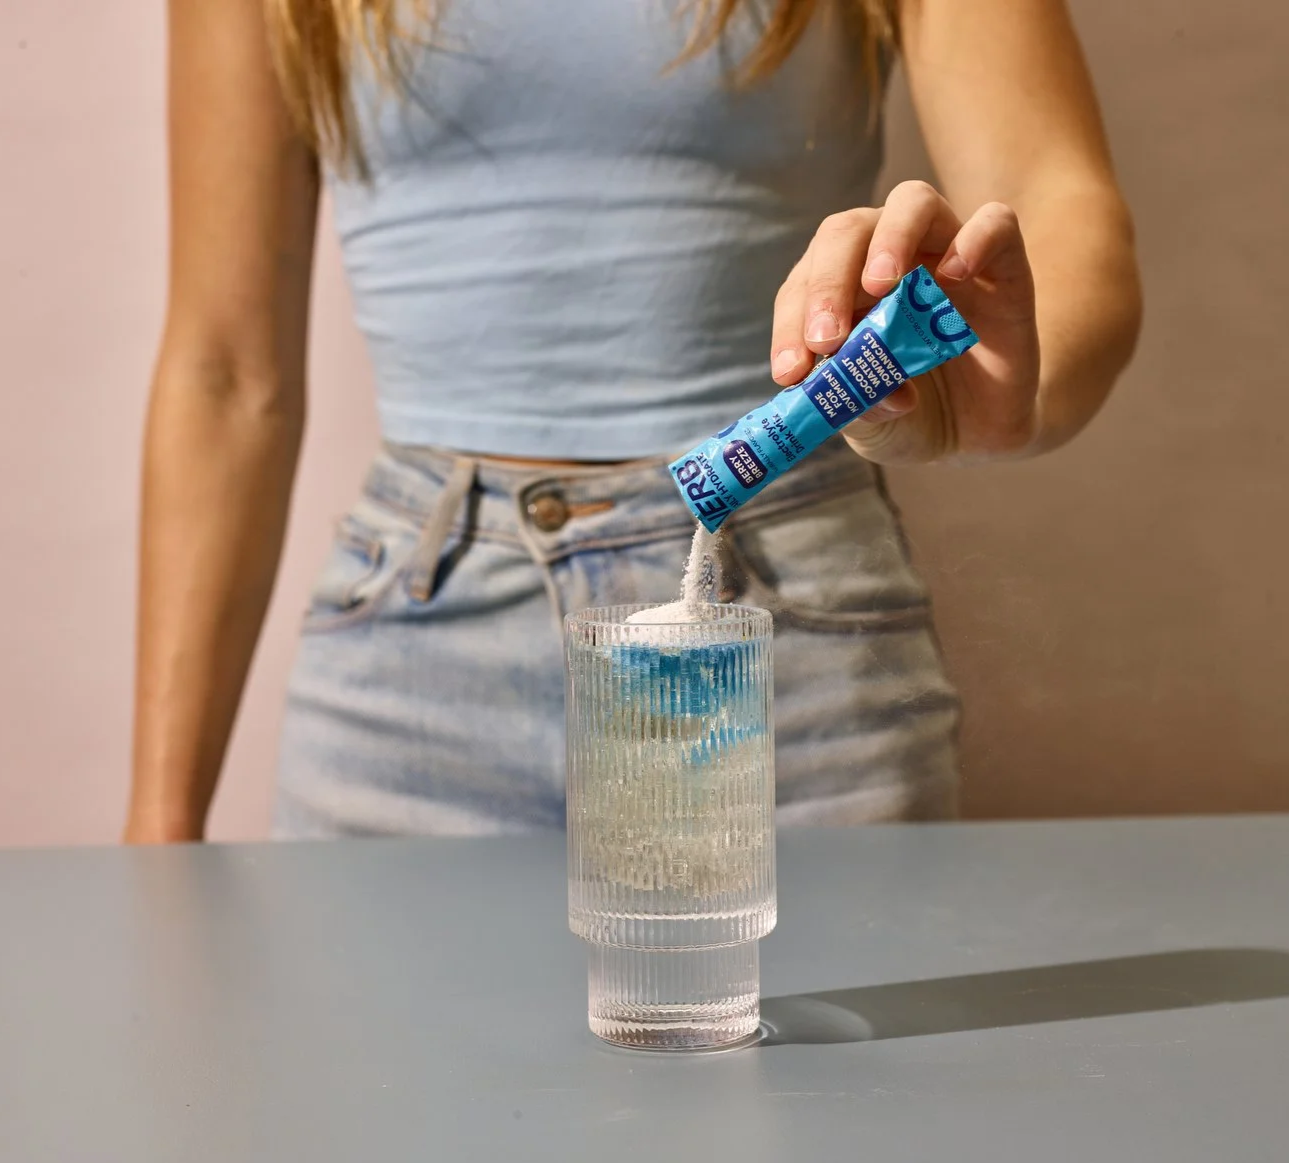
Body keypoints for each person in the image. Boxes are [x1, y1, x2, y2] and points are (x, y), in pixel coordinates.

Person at [125, 0, 1140, 842]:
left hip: (786, 636)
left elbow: (1056, 206)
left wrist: (1001, 387)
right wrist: (160, 826)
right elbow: (226, 374)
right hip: (406, 668)